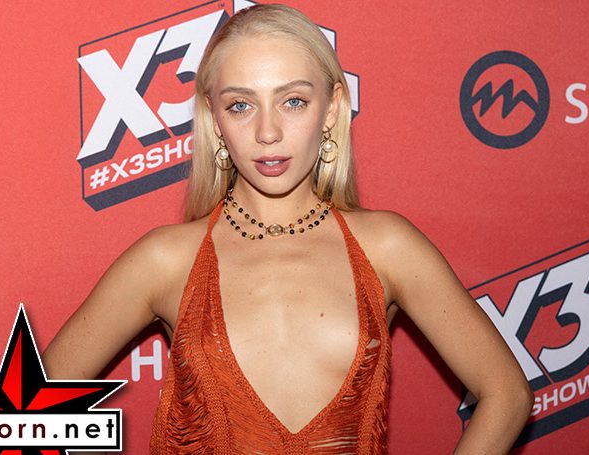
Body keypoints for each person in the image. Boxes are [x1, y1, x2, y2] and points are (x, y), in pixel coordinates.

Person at [43, 4, 533, 453]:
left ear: (332, 107)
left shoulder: (388, 248)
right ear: (214, 119)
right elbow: (28, 410)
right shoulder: (165, 260)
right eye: (240, 105)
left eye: (293, 101)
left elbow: (507, 394)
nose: (268, 132)